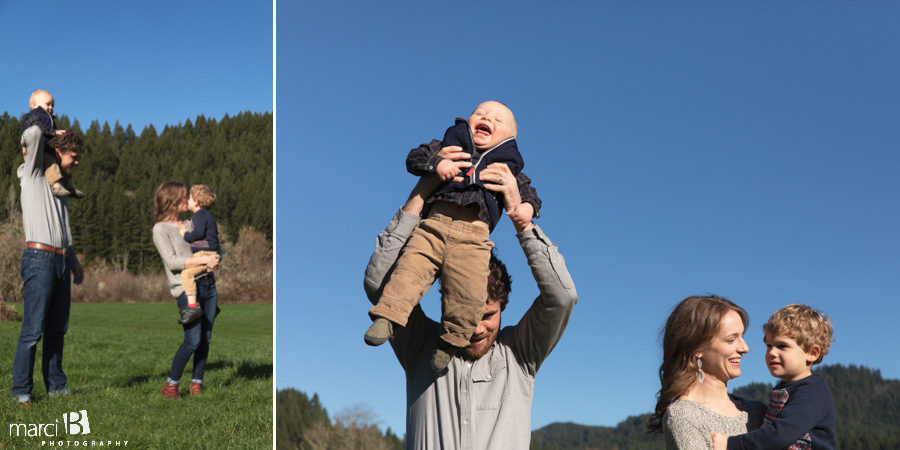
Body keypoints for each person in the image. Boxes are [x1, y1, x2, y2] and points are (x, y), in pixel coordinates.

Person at [363, 148, 576, 449]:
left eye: (487, 315)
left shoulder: (520, 354)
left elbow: (563, 298)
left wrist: (521, 220)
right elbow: (378, 283)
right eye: (467, 313)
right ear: (445, 301)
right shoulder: (420, 345)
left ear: (502, 309)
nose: (475, 329)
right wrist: (422, 193)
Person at [366, 100, 540, 371]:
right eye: (480, 114)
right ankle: (388, 316)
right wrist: (436, 163)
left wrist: (525, 208)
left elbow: (529, 194)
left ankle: (452, 340)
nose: (487, 119)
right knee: (410, 269)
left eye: (498, 120)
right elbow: (414, 157)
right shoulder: (448, 145)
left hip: (474, 237)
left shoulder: (508, 168)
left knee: (468, 290)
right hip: (433, 225)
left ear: (509, 137)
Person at [11, 128, 86, 407]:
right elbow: (30, 134)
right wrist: (48, 126)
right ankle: (22, 392)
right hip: (38, 258)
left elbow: (63, 227)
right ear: (57, 151)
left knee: (57, 329)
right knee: (33, 330)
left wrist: (73, 260)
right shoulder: (31, 173)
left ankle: (56, 387)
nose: (77, 162)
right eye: (73, 157)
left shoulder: (60, 185)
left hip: (61, 260)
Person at [647, 295, 767, 450]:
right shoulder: (684, 417)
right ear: (697, 347)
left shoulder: (757, 411)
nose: (745, 348)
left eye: (742, 337)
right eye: (731, 340)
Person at [711, 304, 836, 450]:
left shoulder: (812, 392)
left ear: (812, 353)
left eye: (782, 346)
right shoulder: (787, 389)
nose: (772, 352)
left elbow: (780, 434)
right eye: (769, 345)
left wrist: (730, 444)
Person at [152, 181, 221, 398]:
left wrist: (214, 258)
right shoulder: (160, 229)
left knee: (206, 339)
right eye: (184, 196)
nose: (187, 200)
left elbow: (207, 246)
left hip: (208, 285)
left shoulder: (192, 223)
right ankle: (171, 386)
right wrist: (203, 260)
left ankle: (196, 386)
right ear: (172, 200)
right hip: (185, 288)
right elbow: (172, 262)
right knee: (192, 340)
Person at [19, 89, 84, 198]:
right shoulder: (34, 116)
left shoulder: (49, 119)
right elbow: (35, 126)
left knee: (63, 166)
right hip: (41, 149)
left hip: (50, 147)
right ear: (34, 105)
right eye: (47, 104)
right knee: (51, 164)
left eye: (52, 105)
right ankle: (56, 185)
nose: (51, 108)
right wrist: (53, 132)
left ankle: (69, 185)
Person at [177, 184, 221, 325]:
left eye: (189, 198)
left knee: (186, 274)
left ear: (196, 201)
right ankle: (212, 307)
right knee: (200, 274)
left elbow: (197, 234)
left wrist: (185, 234)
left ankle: (192, 307)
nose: (187, 200)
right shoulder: (207, 216)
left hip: (204, 253)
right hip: (210, 252)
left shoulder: (199, 215)